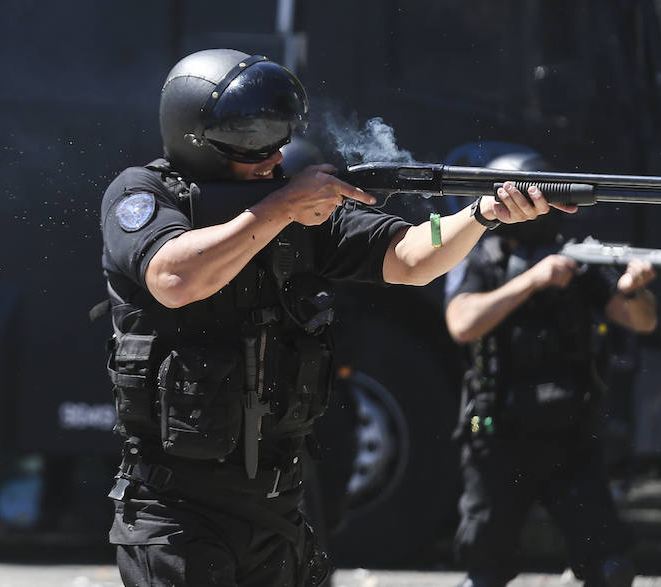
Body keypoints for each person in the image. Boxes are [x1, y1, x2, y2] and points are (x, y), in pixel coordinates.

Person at [99, 49, 572, 587]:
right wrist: (281, 208)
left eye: (278, 140)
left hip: (278, 507)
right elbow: (174, 278)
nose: (272, 159)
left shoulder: (296, 207)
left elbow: (412, 259)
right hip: (178, 511)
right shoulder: (145, 194)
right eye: (252, 142)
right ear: (195, 139)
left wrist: (479, 216)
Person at [444, 152, 657, 587]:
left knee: (611, 569)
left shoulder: (577, 260)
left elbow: (642, 321)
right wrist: (534, 280)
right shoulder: (483, 259)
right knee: (483, 573)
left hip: (570, 436)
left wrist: (635, 291)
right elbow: (462, 324)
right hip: (497, 434)